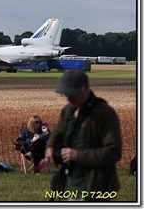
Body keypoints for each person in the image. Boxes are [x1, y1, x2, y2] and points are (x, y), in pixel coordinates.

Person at [45, 69, 122, 201]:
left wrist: (78, 156)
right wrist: (50, 147)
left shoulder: (104, 114)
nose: (69, 98)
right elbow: (57, 133)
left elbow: (113, 152)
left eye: (73, 93)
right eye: (66, 94)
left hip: (95, 188)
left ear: (86, 88)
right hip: (69, 185)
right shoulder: (68, 111)